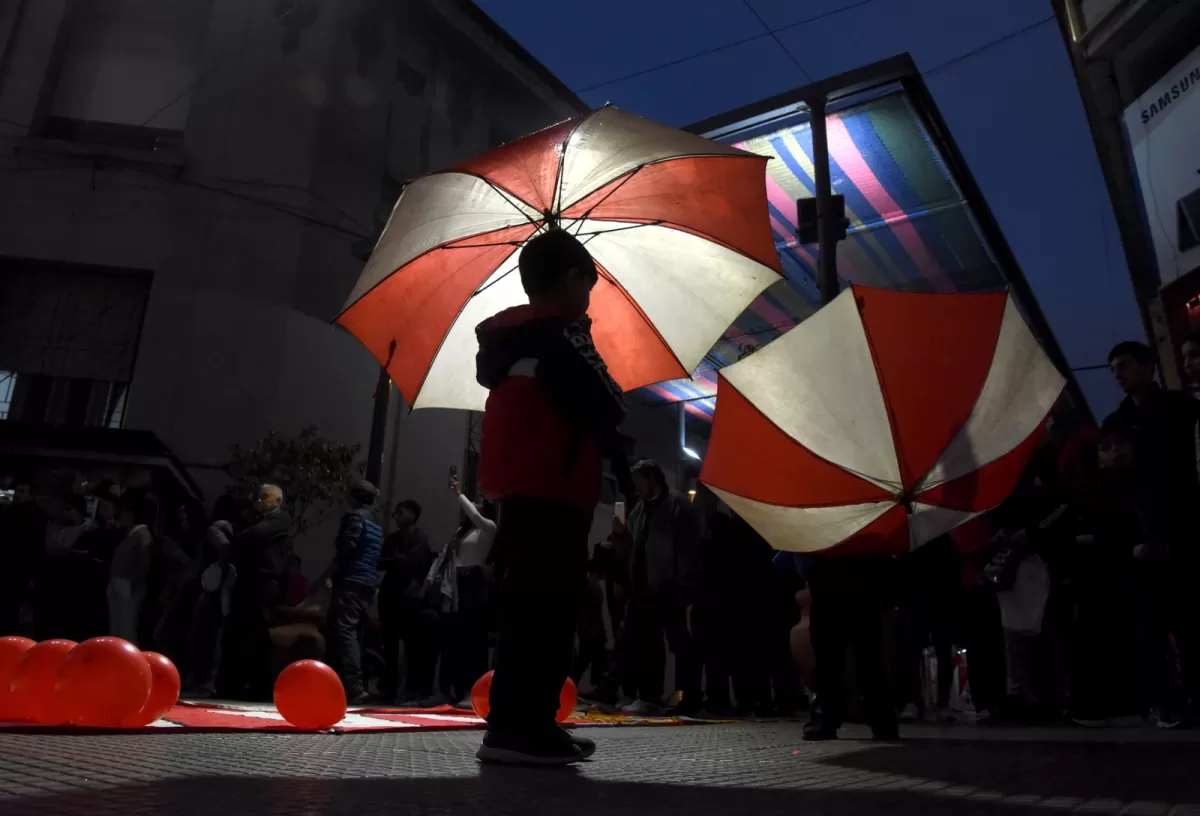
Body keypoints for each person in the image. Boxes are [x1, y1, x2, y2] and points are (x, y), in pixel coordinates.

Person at [473, 227, 631, 765]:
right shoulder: (561, 335)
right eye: (588, 283)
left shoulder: (512, 338)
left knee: (526, 609)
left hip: (522, 488)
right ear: (569, 278)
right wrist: (580, 333)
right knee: (550, 613)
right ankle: (524, 730)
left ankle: (521, 723)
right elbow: (610, 403)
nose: (590, 296)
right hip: (556, 489)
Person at [1107, 340, 1200, 727]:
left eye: (1124, 365)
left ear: (1149, 366)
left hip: (1184, 529)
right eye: (1113, 369)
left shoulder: (1182, 410)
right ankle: (1165, 701)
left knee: (1189, 620)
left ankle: (1189, 697)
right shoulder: (1116, 422)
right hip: (1141, 536)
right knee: (1152, 625)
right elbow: (1113, 485)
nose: (1117, 374)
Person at [609, 460, 703, 716]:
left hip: (667, 584)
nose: (637, 486)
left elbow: (687, 546)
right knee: (646, 643)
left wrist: (685, 582)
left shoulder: (677, 503)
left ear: (651, 478)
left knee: (678, 642)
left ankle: (691, 696)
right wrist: (619, 534)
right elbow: (631, 548)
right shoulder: (639, 508)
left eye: (640, 480)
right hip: (642, 586)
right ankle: (649, 695)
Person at [216, 484, 293, 701]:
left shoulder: (278, 520)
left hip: (262, 582)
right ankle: (233, 684)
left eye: (264, 497)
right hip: (252, 580)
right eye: (258, 497)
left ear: (278, 501)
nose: (259, 501)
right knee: (238, 633)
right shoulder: (265, 522)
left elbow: (250, 537)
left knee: (255, 634)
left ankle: (256, 686)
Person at [320, 480, 384, 705]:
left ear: (354, 497)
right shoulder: (377, 522)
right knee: (356, 634)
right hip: (367, 583)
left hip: (350, 580)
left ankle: (352, 687)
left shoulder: (355, 517)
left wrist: (325, 575)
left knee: (344, 632)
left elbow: (347, 549)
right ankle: (354, 685)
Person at [437, 474, 498, 708]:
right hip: (458, 583)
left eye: (480, 500)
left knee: (474, 639)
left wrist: (459, 493)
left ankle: (475, 690)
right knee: (457, 638)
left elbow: (473, 514)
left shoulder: (489, 528)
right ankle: (456, 689)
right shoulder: (466, 532)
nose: (476, 503)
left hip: (474, 582)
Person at [377, 499, 433, 702]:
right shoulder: (393, 539)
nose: (397, 516)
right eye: (396, 513)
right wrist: (396, 560)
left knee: (411, 648)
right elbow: (381, 561)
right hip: (390, 597)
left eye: (401, 512)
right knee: (389, 647)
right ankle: (390, 689)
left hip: (408, 599)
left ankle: (411, 689)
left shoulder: (420, 538)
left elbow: (410, 562)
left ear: (413, 514)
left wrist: (395, 560)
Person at [107, 490, 159, 645]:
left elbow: (145, 559)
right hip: (118, 583)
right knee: (116, 628)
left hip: (128, 584)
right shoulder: (130, 532)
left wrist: (135, 583)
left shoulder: (142, 531)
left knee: (126, 629)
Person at [0, 482, 46, 635]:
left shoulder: (31, 516)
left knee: (10, 609)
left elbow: (33, 546)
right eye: (17, 491)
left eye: (22, 492)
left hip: (16, 568)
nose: (17, 495)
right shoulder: (11, 513)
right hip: (14, 568)